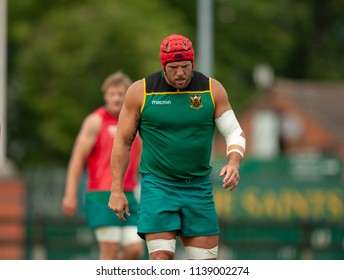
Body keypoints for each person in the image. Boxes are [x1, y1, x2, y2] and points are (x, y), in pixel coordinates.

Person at [108, 34, 246, 260]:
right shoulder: (141, 92)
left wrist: (233, 163)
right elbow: (123, 142)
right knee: (161, 260)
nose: (181, 73)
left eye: (186, 66)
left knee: (206, 267)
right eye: (174, 67)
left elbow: (234, 132)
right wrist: (116, 189)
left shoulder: (212, 89)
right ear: (164, 66)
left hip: (198, 188)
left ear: (193, 63)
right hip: (158, 186)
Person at [62, 71, 144, 260]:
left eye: (120, 93)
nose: (116, 98)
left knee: (135, 251)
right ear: (105, 95)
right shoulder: (95, 121)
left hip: (131, 195)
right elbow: (77, 158)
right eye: (112, 93)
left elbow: (139, 160)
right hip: (101, 195)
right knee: (110, 252)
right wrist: (70, 193)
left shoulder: (135, 122)